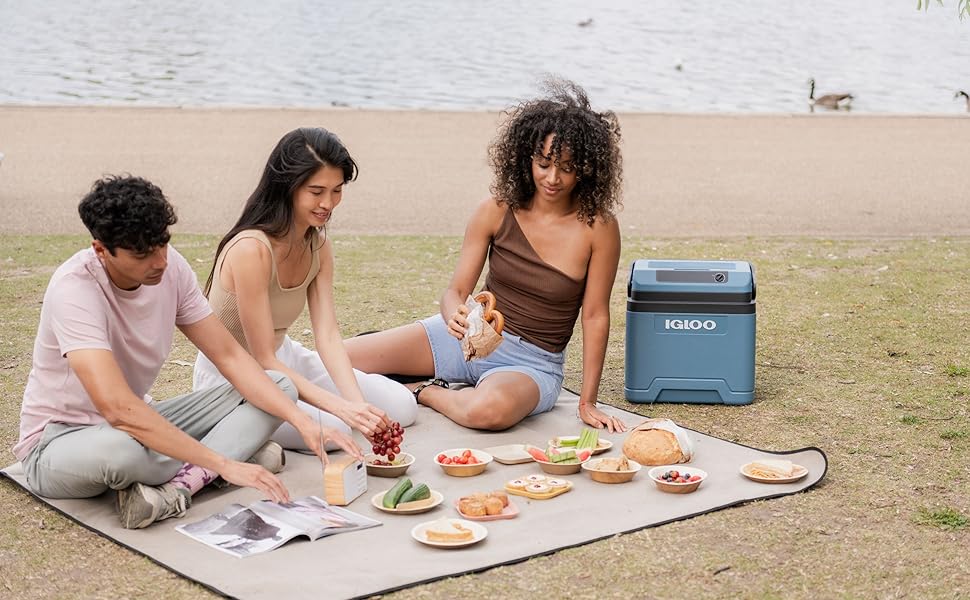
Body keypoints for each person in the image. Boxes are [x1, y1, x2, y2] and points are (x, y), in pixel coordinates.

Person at [13, 175, 360, 529]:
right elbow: (118, 409)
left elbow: (230, 356)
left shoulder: (171, 268)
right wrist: (224, 463)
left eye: (163, 243)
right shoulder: (75, 289)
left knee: (278, 387)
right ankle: (219, 461)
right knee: (125, 456)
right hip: (60, 441)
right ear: (101, 250)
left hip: (142, 421)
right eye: (142, 253)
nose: (159, 261)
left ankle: (179, 485)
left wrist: (303, 423)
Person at [346, 78, 628, 433]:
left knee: (487, 412)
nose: (552, 177)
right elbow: (455, 292)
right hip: (466, 337)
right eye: (543, 163)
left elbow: (595, 316)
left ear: (585, 169)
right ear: (526, 157)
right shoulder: (495, 210)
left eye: (567, 168)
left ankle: (422, 389)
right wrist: (454, 317)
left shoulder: (598, 227)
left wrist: (587, 402)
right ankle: (411, 367)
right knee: (336, 360)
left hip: (531, 365)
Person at [193, 127, 416, 453]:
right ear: (288, 187)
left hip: (286, 359)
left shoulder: (318, 245)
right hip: (237, 377)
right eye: (316, 191)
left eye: (336, 190)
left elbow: (326, 335)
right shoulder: (251, 249)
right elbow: (262, 358)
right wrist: (343, 411)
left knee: (402, 406)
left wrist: (358, 407)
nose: (328, 203)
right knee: (337, 429)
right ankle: (234, 432)